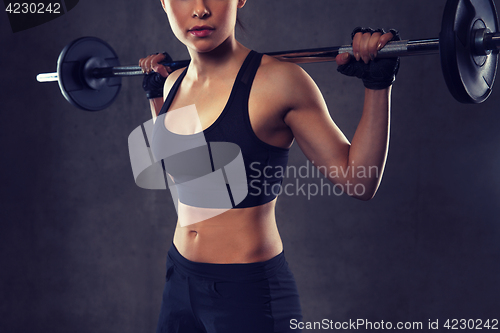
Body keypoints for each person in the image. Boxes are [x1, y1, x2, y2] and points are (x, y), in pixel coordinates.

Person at [138, 0, 399, 332]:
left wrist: (377, 84)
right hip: (179, 279)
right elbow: (176, 168)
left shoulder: (279, 81)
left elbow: (358, 181)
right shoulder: (172, 82)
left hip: (246, 292)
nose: (200, 9)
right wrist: (155, 96)